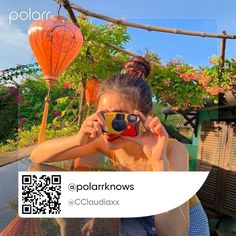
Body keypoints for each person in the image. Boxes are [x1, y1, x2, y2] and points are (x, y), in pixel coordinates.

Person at [31, 56, 209, 236]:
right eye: (103, 116)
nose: (110, 127)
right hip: (137, 213)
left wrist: (159, 163)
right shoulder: (103, 141)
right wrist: (77, 140)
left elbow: (174, 234)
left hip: (182, 215)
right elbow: (37, 156)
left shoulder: (172, 150)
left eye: (119, 118)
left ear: (144, 117)